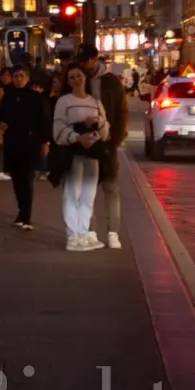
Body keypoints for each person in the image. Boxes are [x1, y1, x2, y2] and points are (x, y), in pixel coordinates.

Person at [50, 65, 106, 252]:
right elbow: (57, 130)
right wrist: (77, 137)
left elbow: (106, 130)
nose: (76, 80)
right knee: (72, 193)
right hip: (72, 153)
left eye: (79, 76)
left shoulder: (95, 102)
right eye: (71, 77)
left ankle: (83, 233)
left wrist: (98, 124)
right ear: (67, 81)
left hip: (92, 153)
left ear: (85, 78)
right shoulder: (64, 101)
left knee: (88, 195)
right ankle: (72, 236)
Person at [79, 44, 129, 249]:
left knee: (111, 188)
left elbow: (122, 111)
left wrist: (116, 139)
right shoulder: (77, 79)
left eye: (86, 60)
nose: (83, 64)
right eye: (81, 60)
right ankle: (90, 230)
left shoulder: (111, 82)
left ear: (95, 58)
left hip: (107, 142)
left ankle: (113, 233)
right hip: (85, 142)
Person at [0, 66, 49, 229]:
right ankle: (21, 209)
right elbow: (1, 115)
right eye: (15, 76)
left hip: (30, 142)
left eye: (21, 76)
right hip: (12, 142)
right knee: (16, 178)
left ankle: (26, 214)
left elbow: (43, 120)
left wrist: (45, 142)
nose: (18, 79)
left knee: (27, 179)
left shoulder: (36, 97)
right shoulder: (8, 96)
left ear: (27, 78)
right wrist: (1, 123)